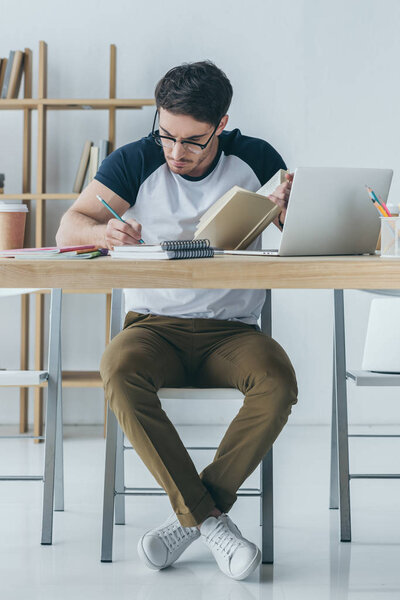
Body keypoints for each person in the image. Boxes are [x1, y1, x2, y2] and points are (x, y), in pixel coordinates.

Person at [56, 60, 298, 581]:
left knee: (277, 382)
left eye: (193, 141)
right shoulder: (137, 160)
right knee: (118, 370)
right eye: (166, 135)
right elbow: (69, 225)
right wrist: (104, 236)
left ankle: (189, 520)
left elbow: (295, 233)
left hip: (233, 332)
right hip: (152, 327)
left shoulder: (256, 159)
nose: (175, 152)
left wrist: (286, 211)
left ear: (222, 125)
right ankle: (210, 521)